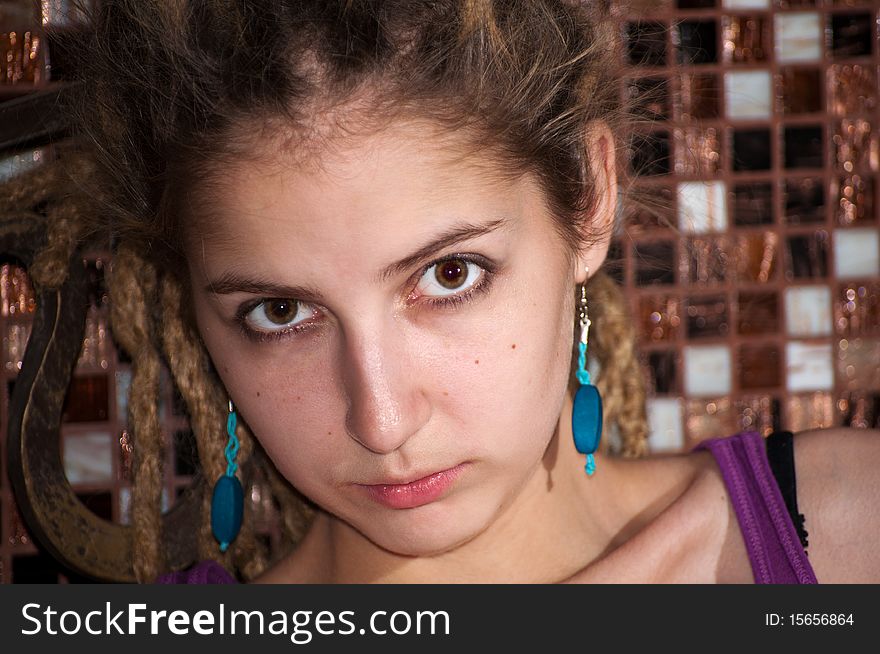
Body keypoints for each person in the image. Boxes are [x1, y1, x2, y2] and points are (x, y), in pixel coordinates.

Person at [45, 0, 878, 584]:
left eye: (450, 275)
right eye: (281, 312)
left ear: (588, 200)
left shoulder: (850, 540)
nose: (383, 421)